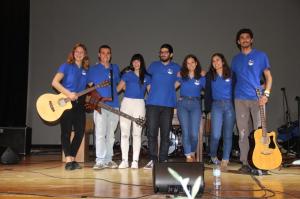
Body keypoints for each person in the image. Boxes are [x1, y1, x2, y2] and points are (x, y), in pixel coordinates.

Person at [231, 28, 272, 173]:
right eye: (242, 38)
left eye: (247, 37)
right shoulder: (235, 60)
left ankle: (262, 162)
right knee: (242, 132)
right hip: (240, 99)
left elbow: (268, 77)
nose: (245, 40)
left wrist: (265, 94)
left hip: (258, 99)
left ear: (251, 40)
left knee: (260, 132)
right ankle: (245, 162)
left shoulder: (261, 56)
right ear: (238, 41)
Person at [51, 43, 89, 170]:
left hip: (79, 104)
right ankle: (68, 160)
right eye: (77, 51)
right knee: (66, 132)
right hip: (65, 102)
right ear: (73, 53)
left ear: (84, 55)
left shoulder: (86, 71)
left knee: (80, 132)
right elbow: (54, 83)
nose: (79, 54)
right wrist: (68, 93)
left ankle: (72, 158)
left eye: (81, 52)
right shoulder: (66, 66)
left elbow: (89, 86)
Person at [144, 44, 181, 169]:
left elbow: (180, 80)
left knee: (166, 134)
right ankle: (153, 159)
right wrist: (151, 91)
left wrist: (171, 90)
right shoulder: (153, 65)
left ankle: (163, 160)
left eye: (166, 52)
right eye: (161, 52)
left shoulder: (176, 67)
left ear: (171, 54)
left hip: (168, 105)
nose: (163, 54)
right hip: (152, 105)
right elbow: (147, 80)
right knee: (152, 133)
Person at [87, 45, 120, 170]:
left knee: (110, 135)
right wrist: (96, 99)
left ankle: (108, 159)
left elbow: (120, 84)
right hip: (100, 106)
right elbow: (89, 87)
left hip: (114, 106)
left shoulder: (115, 68)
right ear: (99, 55)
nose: (106, 55)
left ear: (110, 55)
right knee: (100, 134)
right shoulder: (93, 69)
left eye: (108, 53)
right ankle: (100, 160)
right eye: (103, 53)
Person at [117, 54, 150, 169]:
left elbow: (151, 92)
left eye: (138, 61)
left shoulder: (147, 76)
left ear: (141, 62)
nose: (136, 63)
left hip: (140, 104)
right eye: (134, 61)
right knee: (125, 133)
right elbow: (117, 89)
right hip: (126, 103)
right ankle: (124, 160)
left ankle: (135, 161)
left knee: (137, 133)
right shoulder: (127, 75)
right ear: (132, 63)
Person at [205, 53, 235, 171]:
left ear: (223, 61)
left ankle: (225, 159)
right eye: (213, 61)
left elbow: (241, 83)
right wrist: (207, 109)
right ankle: (213, 155)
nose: (215, 62)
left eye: (218, 60)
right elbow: (207, 92)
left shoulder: (232, 74)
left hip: (229, 106)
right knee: (216, 135)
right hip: (216, 106)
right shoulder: (209, 76)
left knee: (227, 135)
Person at [175, 54, 205, 162]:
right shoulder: (182, 75)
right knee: (185, 131)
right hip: (183, 104)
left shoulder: (201, 77)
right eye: (188, 63)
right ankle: (188, 155)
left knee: (194, 134)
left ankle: (192, 152)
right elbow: (172, 87)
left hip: (196, 104)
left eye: (192, 62)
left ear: (196, 63)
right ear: (185, 65)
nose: (190, 64)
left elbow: (210, 89)